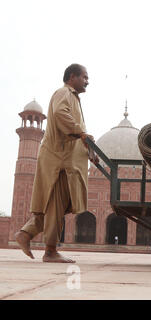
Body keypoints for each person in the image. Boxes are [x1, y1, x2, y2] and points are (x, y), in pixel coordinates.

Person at [15, 63, 98, 263]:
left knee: (58, 206)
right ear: (72, 76)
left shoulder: (74, 98)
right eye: (84, 77)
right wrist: (81, 131)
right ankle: (50, 250)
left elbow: (74, 134)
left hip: (67, 162)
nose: (87, 81)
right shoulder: (64, 93)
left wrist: (89, 151)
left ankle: (26, 233)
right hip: (60, 162)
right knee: (55, 206)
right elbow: (61, 114)